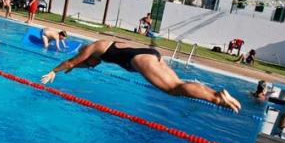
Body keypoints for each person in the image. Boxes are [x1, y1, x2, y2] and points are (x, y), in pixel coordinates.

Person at [41, 40, 241, 112]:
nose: (91, 65)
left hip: (138, 60)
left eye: (88, 61)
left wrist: (53, 71)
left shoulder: (92, 47)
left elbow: (72, 61)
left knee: (173, 90)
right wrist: (76, 68)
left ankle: (217, 98)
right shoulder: (103, 46)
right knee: (178, 84)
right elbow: (83, 64)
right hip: (148, 54)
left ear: (87, 53)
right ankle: (217, 93)